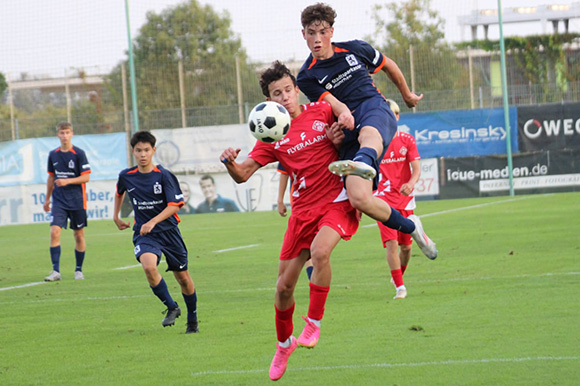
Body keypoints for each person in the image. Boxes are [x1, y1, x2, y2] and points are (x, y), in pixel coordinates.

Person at [220, 61, 359, 381]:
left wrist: (339, 141)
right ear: (268, 101)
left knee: (322, 253)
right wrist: (229, 163)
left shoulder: (322, 112)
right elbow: (242, 175)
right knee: (283, 288)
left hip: (335, 202)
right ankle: (284, 345)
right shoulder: (271, 134)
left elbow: (350, 142)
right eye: (275, 94)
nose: (283, 98)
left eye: (287, 90)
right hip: (302, 212)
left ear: (297, 90)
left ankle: (314, 323)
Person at [297, 3, 437, 260]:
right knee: (359, 198)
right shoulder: (306, 75)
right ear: (303, 34)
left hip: (374, 109)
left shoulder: (354, 48)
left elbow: (388, 64)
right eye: (311, 33)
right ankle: (412, 227)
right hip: (348, 128)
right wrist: (343, 112)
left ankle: (362, 161)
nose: (317, 39)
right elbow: (330, 101)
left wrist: (406, 94)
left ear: (332, 31)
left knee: (368, 135)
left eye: (323, 32)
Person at [113, 131, 199, 334]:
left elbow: (176, 204)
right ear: (133, 152)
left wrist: (153, 220)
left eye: (146, 150)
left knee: (183, 279)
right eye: (138, 150)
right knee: (149, 267)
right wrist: (116, 216)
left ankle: (192, 319)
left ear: (154, 151)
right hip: (145, 234)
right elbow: (119, 193)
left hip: (169, 233)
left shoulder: (164, 175)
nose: (143, 154)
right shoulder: (126, 176)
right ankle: (171, 307)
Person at [375, 100, 421, 300]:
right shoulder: (375, 142)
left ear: (398, 117)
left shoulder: (407, 140)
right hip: (382, 200)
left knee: (406, 247)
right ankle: (400, 287)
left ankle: (398, 276)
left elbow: (416, 169)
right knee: (391, 243)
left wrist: (410, 183)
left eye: (393, 114)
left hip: (404, 200)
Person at [43, 122, 91, 282]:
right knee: (54, 232)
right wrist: (47, 198)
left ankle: (78, 270)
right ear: (58, 134)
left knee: (78, 235)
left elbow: (86, 177)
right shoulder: (53, 154)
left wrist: (67, 181)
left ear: (72, 134)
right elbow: (51, 177)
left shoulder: (79, 153)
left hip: (77, 201)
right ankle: (56, 271)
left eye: (67, 132)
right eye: (62, 133)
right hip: (59, 202)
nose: (64, 136)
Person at [276, 164, 314, 281]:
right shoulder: (288, 147)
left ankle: (315, 280)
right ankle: (314, 279)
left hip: (321, 197)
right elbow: (284, 172)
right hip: (301, 202)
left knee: (315, 243)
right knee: (308, 242)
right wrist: (280, 200)